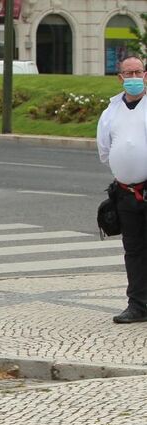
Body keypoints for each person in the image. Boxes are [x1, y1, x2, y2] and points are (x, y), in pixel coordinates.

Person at [97, 55, 147, 323]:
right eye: (129, 74)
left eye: (138, 72)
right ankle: (137, 304)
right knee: (134, 249)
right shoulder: (111, 111)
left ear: (145, 75)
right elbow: (105, 151)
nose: (134, 78)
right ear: (120, 78)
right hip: (126, 192)